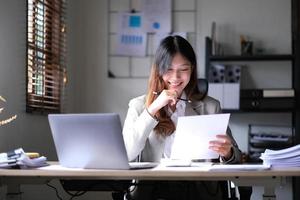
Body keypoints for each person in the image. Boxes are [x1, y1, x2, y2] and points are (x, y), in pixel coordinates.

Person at [122, 35, 242, 200]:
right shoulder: (138, 106)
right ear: (158, 70)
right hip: (151, 191)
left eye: (183, 69)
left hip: (198, 191)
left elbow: (236, 157)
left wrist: (227, 153)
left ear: (192, 69)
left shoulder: (210, 106)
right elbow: (126, 154)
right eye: (169, 69)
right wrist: (154, 108)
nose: (176, 77)